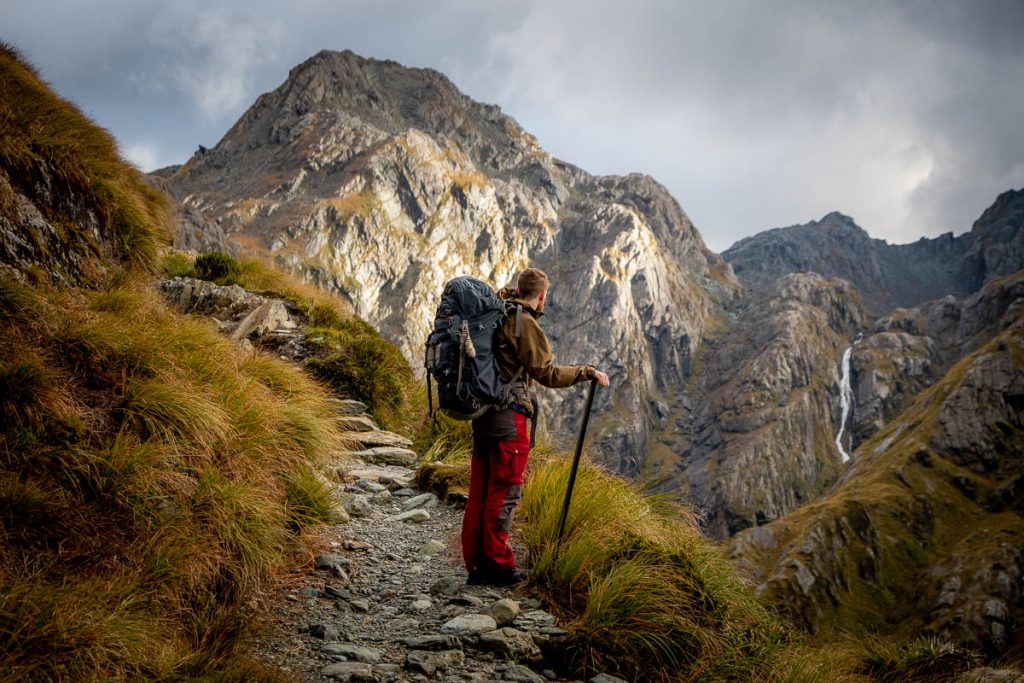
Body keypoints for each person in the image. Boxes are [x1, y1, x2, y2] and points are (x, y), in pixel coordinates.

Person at [460, 267, 610, 586]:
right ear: (542, 295)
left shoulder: (496, 314)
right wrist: (586, 371)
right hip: (508, 419)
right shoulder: (523, 323)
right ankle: (498, 566)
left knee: (480, 491)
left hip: (482, 414)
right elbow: (547, 374)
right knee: (505, 491)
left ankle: (476, 563)